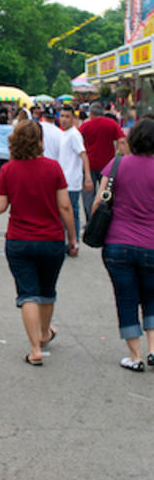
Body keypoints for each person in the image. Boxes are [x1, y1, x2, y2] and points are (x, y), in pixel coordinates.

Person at [0, 120, 78, 366]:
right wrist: (72, 238)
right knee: (47, 291)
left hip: (19, 239)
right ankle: (44, 332)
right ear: (40, 141)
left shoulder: (9, 170)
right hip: (51, 238)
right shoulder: (53, 168)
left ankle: (34, 349)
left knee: (27, 294)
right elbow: (65, 206)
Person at [96, 119, 154, 372]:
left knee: (126, 298)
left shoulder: (117, 165)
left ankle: (135, 356)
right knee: (152, 298)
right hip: (152, 245)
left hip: (117, 244)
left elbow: (98, 202)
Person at [80, 102, 128, 225]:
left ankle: (91, 221)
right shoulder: (112, 124)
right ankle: (103, 220)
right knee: (106, 194)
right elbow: (122, 141)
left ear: (91, 113)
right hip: (108, 167)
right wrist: (127, 158)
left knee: (88, 196)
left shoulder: (85, 126)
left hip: (89, 165)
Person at [57, 106, 93, 244]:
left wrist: (87, 177)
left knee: (71, 212)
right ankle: (69, 240)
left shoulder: (74, 135)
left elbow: (83, 155)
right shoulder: (63, 134)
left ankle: (74, 240)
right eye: (62, 116)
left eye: (67, 116)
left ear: (73, 119)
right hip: (63, 179)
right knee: (66, 212)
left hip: (72, 180)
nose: (64, 120)